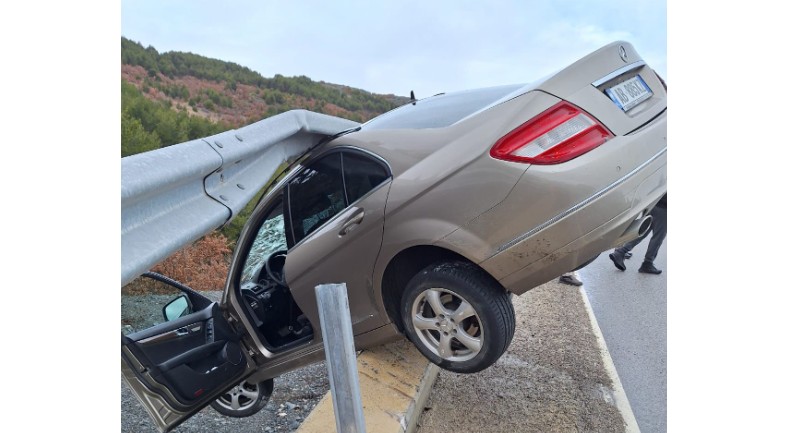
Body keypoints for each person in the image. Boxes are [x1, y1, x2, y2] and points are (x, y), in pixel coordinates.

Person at [609, 193, 667, 274]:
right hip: (664, 207)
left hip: (654, 202)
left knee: (643, 231)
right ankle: (647, 263)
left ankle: (621, 252)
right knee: (658, 237)